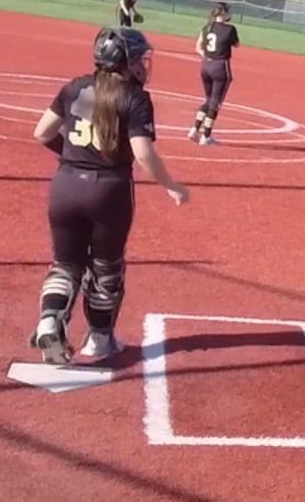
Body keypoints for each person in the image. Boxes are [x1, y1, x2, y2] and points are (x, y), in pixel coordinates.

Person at [28, 27, 189, 365]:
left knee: (65, 264)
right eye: (139, 59)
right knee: (106, 269)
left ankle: (49, 320)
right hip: (109, 190)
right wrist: (170, 185)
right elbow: (142, 153)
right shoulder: (134, 97)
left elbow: (42, 132)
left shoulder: (75, 87)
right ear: (126, 61)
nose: (142, 65)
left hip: (66, 185)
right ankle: (99, 340)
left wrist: (72, 153)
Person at [189, 2, 240, 145]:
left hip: (206, 66)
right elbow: (236, 44)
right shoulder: (230, 29)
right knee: (215, 102)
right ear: (223, 13)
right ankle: (206, 136)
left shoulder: (207, 27)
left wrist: (207, 57)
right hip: (220, 66)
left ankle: (195, 129)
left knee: (208, 99)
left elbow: (198, 47)